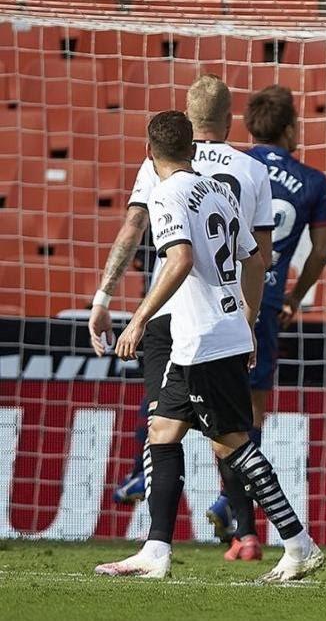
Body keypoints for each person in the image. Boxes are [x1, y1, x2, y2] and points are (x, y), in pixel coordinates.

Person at [94, 111, 323, 583]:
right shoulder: (218, 190)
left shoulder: (166, 193)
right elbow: (255, 258)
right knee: (162, 429)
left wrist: (137, 319)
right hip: (216, 329)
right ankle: (155, 550)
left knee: (232, 443)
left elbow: (179, 259)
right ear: (194, 150)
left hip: (201, 335)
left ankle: (299, 543)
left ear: (148, 151)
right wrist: (249, 325)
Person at [90, 75, 274, 515]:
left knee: (164, 423)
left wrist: (104, 298)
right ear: (231, 120)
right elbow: (260, 257)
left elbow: (133, 229)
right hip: (225, 317)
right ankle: (241, 523)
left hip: (168, 310)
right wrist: (248, 321)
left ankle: (156, 522)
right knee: (228, 433)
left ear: (188, 119)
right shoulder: (252, 169)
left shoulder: (159, 163)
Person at [203, 85, 326, 562]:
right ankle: (242, 524)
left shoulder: (232, 167)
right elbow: (320, 253)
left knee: (214, 420)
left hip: (213, 299)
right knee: (250, 420)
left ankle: (244, 531)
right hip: (261, 307)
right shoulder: (314, 181)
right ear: (290, 128)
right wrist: (295, 298)